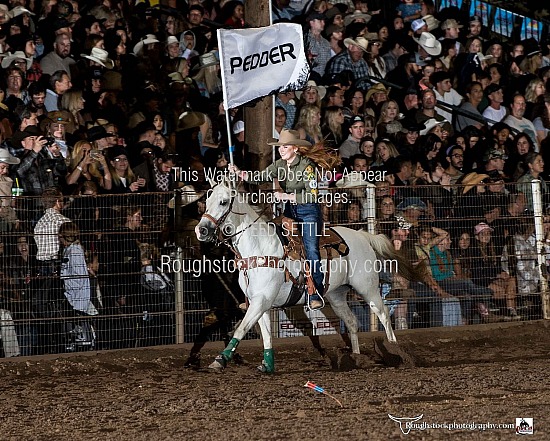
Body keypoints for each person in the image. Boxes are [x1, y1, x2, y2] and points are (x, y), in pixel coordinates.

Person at [230, 129, 340, 310]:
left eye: (285, 146)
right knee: (273, 240)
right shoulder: (279, 165)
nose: (281, 149)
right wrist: (241, 173)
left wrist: (286, 197)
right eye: (280, 146)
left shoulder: (307, 166)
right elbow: (261, 177)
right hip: (290, 211)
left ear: (295, 149)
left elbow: (312, 195)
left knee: (311, 249)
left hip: (309, 212)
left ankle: (316, 292)